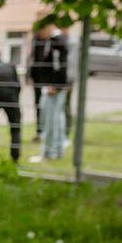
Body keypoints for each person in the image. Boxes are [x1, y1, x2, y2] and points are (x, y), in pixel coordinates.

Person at [29, 20, 69, 158]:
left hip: (53, 87)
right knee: (56, 118)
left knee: (51, 119)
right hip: (52, 85)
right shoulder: (53, 40)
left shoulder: (56, 41)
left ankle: (50, 152)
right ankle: (56, 150)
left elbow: (59, 65)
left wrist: (54, 85)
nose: (39, 33)